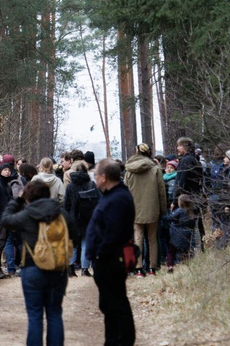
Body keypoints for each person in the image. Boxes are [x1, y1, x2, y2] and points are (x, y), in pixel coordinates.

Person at [1, 179, 69, 346]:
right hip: (57, 267)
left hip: (32, 267)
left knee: (35, 315)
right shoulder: (60, 213)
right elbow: (74, 233)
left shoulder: (27, 214)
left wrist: (17, 199)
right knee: (54, 313)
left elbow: (6, 219)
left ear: (28, 197)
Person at [84, 160, 136, 346]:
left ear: (104, 177)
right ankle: (112, 341)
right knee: (108, 304)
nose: (95, 178)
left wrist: (100, 254)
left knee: (116, 303)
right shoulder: (112, 195)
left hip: (111, 260)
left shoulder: (118, 198)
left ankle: (123, 341)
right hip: (106, 259)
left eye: (96, 175)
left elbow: (113, 233)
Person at [123, 143, 166, 277]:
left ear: (137, 152)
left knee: (138, 239)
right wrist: (163, 209)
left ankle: (139, 268)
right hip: (152, 207)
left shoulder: (129, 170)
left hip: (135, 208)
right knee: (152, 239)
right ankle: (153, 268)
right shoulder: (155, 169)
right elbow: (161, 191)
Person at [63, 160, 98, 277]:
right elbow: (97, 202)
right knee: (85, 244)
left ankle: (71, 269)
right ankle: (84, 269)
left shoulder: (70, 186)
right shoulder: (91, 185)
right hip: (88, 218)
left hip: (73, 218)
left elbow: (66, 205)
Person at [0, 158, 19, 278]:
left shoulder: (5, 184)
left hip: (5, 218)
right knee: (0, 243)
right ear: (0, 171)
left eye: (9, 170)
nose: (7, 172)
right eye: (5, 170)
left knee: (1, 243)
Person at [173, 137, 206, 251]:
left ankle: (193, 251)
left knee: (190, 226)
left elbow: (180, 182)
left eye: (179, 146)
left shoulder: (186, 161)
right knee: (197, 223)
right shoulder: (194, 159)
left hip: (188, 199)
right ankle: (200, 248)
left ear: (185, 147)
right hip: (196, 197)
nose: (178, 148)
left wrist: (174, 200)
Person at [167, 195, 197, 271]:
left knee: (171, 251)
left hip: (176, 235)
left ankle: (170, 266)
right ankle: (185, 265)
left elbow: (170, 218)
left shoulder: (179, 211)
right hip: (187, 236)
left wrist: (168, 213)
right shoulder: (192, 212)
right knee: (186, 252)